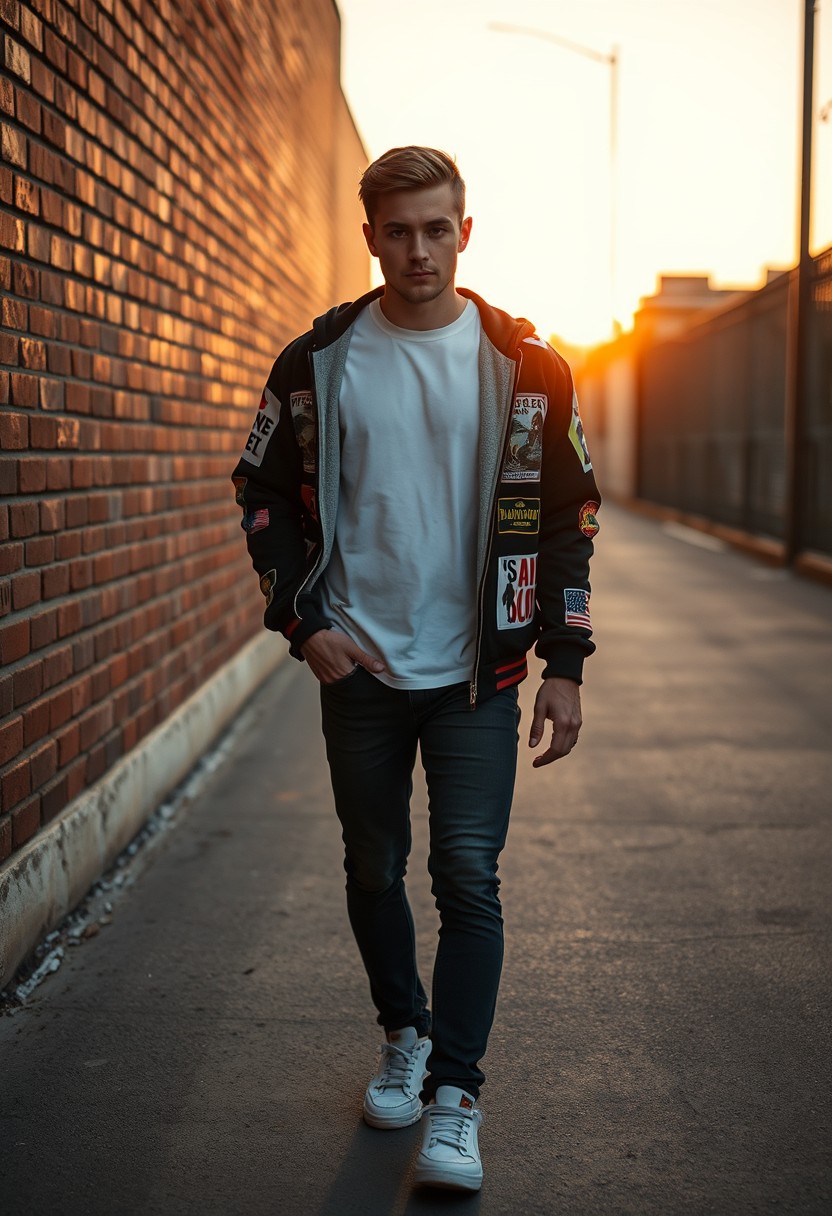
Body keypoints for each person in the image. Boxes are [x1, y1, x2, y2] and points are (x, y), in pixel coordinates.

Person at [231, 146, 600, 1193]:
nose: (418, 249)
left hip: (479, 672)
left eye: (437, 228)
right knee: (370, 866)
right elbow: (258, 492)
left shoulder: (528, 364)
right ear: (370, 237)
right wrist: (299, 622)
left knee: (466, 877)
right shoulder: (320, 358)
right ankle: (403, 1030)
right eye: (398, 230)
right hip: (359, 666)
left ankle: (455, 1094)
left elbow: (574, 513)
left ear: (465, 233)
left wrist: (563, 661)